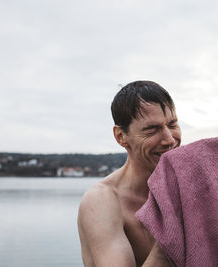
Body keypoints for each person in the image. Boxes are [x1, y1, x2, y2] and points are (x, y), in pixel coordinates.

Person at [77, 80, 181, 267]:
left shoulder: (183, 188)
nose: (169, 139)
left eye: (172, 124)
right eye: (152, 129)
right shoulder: (102, 201)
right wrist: (177, 229)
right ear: (121, 136)